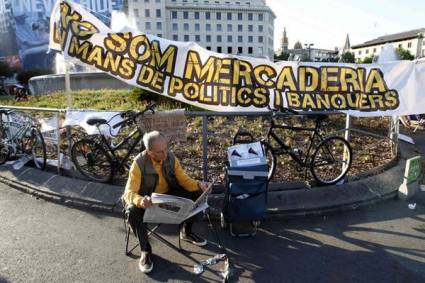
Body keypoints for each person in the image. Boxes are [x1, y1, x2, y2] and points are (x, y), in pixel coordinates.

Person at [123, 130, 209, 274]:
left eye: (166, 149)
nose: (164, 155)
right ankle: (145, 250)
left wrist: (198, 184)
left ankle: (186, 231)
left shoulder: (170, 157)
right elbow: (128, 193)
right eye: (159, 152)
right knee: (132, 211)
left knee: (197, 193)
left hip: (167, 195)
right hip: (148, 200)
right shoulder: (138, 163)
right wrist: (140, 200)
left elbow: (183, 180)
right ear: (149, 152)